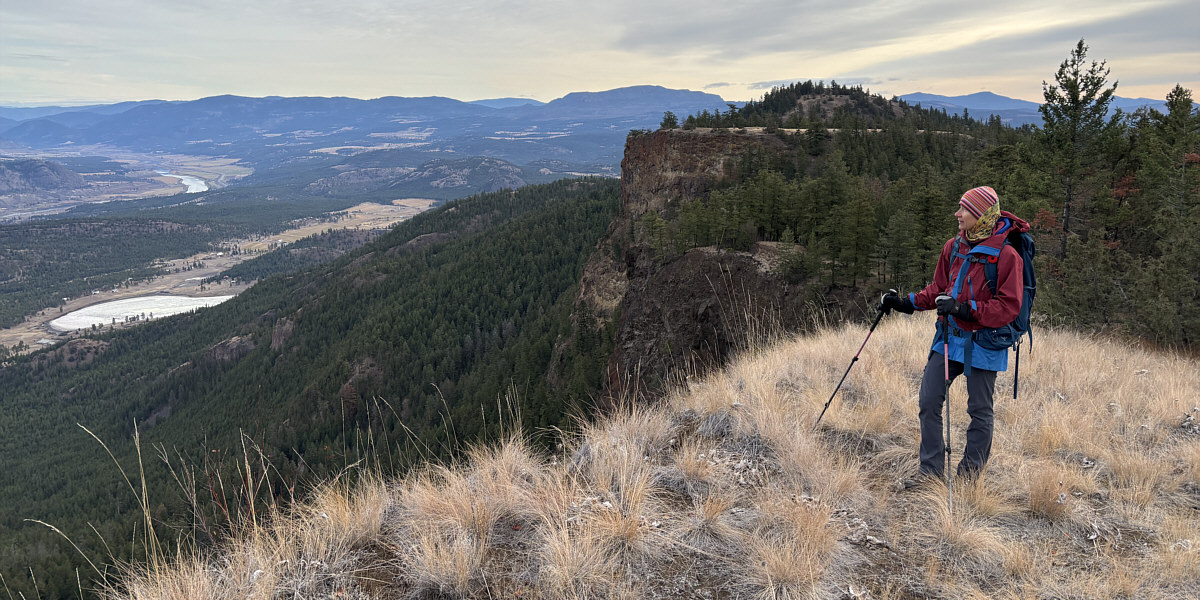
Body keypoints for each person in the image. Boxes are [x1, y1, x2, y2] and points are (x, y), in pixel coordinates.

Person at [880, 186, 1029, 485]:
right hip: (949, 337)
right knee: (929, 400)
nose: (957, 214)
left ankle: (968, 479)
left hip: (985, 343)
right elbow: (937, 290)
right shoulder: (954, 246)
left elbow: (1009, 307)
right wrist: (905, 303)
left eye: (964, 210)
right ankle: (930, 473)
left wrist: (963, 308)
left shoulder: (1008, 256)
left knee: (979, 411)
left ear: (981, 215)